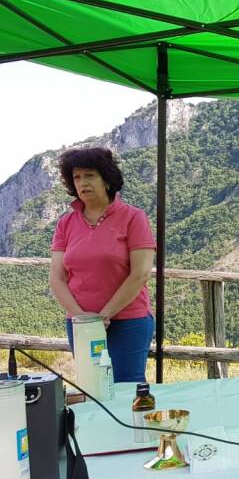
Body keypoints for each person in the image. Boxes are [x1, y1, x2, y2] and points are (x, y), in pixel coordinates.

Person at [49, 147, 156, 383]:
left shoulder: (133, 217)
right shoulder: (66, 223)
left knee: (127, 387)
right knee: (92, 386)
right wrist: (83, 320)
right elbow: (57, 278)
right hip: (80, 324)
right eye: (77, 177)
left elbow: (140, 274)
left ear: (106, 180)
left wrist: (104, 316)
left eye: (89, 175)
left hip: (128, 321)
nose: (82, 183)